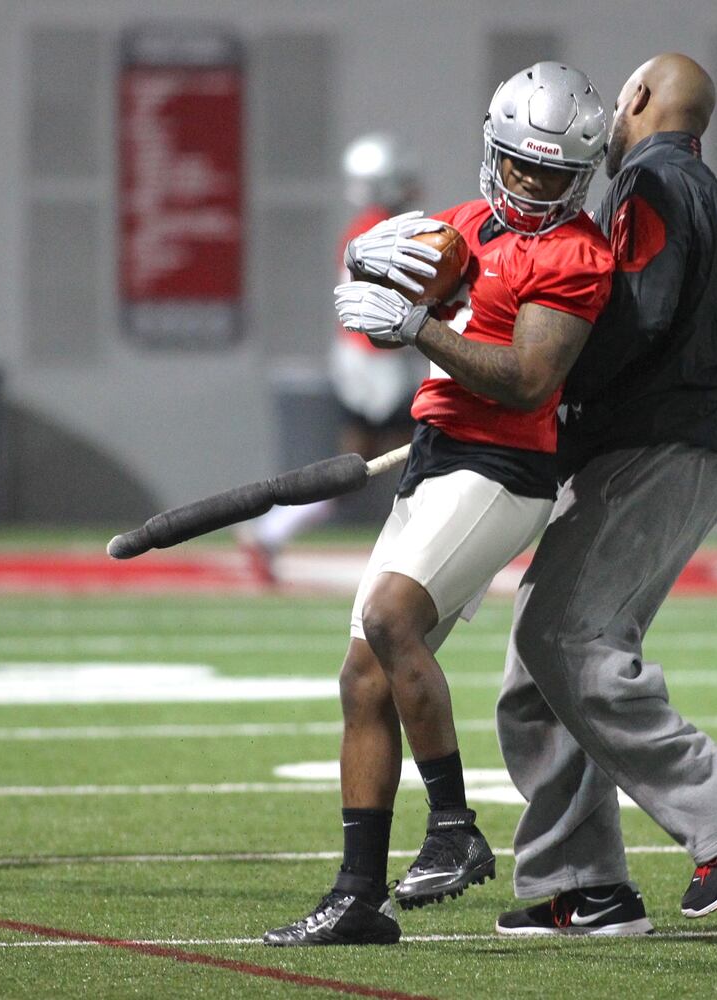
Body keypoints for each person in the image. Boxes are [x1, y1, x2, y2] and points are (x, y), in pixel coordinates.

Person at [263, 62, 613, 945]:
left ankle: (454, 827)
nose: (531, 185)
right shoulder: (464, 223)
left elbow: (530, 381)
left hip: (502, 468)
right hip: (436, 458)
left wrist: (415, 326)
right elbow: (394, 260)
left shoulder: (575, 253)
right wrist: (370, 261)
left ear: (582, 174)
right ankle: (356, 898)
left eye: (551, 172)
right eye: (519, 164)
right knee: (361, 681)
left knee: (387, 620)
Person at [493, 53, 717, 937]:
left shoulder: (650, 182)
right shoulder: (692, 183)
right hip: (674, 440)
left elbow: (637, 313)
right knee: (535, 664)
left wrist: (537, 375)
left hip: (659, 443)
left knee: (563, 635)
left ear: (634, 99)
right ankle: (582, 884)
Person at [239, 133, 427, 583]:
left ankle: (271, 532)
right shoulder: (382, 231)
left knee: (358, 470)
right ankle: (421, 554)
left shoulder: (366, 228)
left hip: (364, 363)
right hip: (377, 366)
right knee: (432, 451)